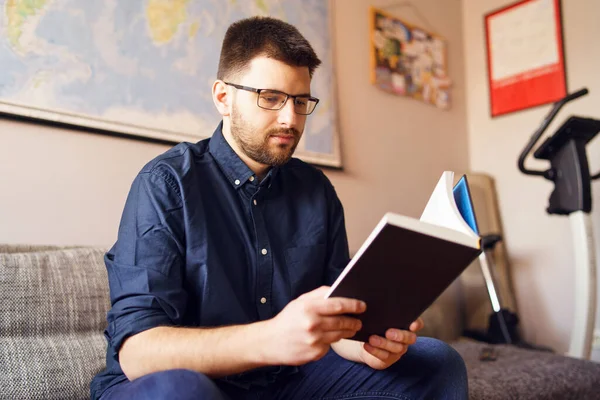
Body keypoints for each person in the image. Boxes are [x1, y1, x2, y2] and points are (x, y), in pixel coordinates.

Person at [91, 16, 468, 400]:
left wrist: (370, 349)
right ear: (223, 97)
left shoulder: (317, 191)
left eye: (301, 101)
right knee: (181, 392)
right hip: (176, 385)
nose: (290, 118)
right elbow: (138, 354)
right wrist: (270, 339)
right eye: (270, 98)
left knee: (437, 362)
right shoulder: (166, 184)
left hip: (285, 382)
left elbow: (339, 324)